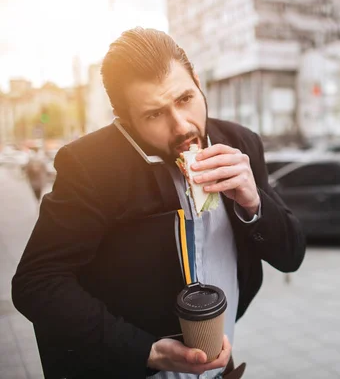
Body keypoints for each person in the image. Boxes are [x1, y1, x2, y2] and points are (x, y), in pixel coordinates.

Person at [12, 28, 306, 379]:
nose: (181, 126)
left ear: (197, 81)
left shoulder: (241, 142)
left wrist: (253, 203)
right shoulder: (90, 165)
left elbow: (291, 255)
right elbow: (36, 283)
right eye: (154, 114)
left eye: (185, 98)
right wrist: (145, 351)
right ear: (126, 120)